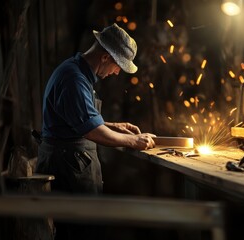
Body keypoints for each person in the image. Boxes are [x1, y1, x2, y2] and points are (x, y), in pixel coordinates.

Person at [36, 23, 156, 240]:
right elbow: (93, 132)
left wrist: (112, 125)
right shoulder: (74, 79)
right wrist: (134, 141)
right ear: (104, 57)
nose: (118, 71)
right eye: (118, 65)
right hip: (69, 166)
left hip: (69, 161)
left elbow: (76, 119)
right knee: (80, 232)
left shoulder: (75, 71)